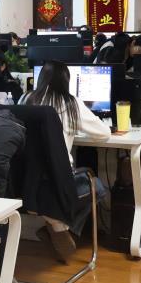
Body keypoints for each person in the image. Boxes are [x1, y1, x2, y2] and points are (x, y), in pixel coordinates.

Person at [23, 61, 111, 262]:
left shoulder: (26, 98)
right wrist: (75, 128)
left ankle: (56, 227)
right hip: (57, 185)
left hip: (28, 184)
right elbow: (104, 133)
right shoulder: (71, 103)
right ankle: (60, 227)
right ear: (66, 81)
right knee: (97, 186)